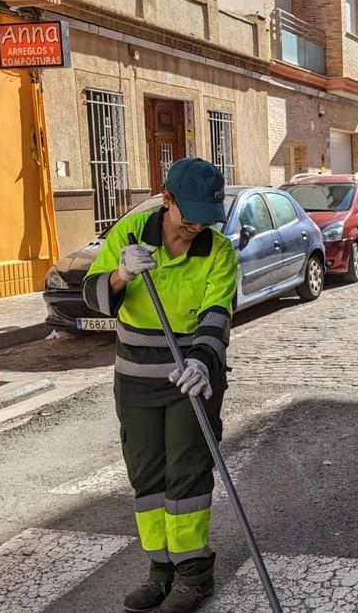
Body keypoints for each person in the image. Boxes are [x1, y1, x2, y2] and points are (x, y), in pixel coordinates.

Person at [83, 158, 237, 613]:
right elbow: (92, 298)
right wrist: (120, 275)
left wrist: (204, 361)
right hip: (135, 380)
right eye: (188, 215)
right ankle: (160, 569)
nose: (196, 227)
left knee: (187, 475)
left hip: (192, 377)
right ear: (166, 199)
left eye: (205, 218)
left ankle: (193, 576)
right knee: (147, 479)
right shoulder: (128, 238)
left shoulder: (218, 250)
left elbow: (218, 313)